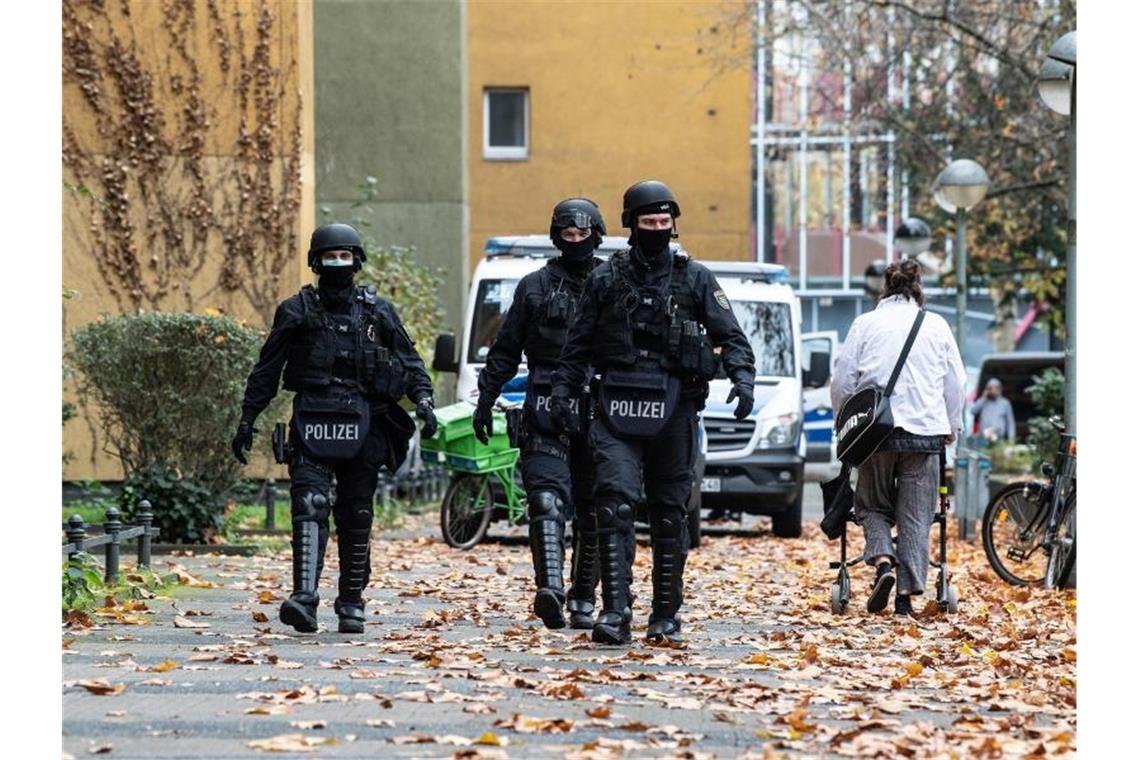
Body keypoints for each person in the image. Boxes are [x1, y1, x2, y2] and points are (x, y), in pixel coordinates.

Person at [552, 180, 756, 645]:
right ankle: (616, 612)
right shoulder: (606, 278)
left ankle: (665, 614)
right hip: (615, 405)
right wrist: (563, 396)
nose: (658, 230)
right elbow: (577, 346)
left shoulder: (695, 277)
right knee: (615, 503)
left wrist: (742, 380)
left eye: (665, 223)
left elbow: (732, 337)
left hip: (675, 407)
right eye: (649, 223)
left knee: (668, 512)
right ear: (631, 226)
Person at [231, 223, 437, 634]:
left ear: (357, 261)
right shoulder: (295, 311)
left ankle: (351, 602)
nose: (338, 263)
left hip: (365, 422)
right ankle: (304, 597)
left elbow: (409, 360)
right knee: (309, 504)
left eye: (346, 256)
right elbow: (267, 369)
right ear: (315, 262)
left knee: (356, 514)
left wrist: (425, 400)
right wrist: (247, 418)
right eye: (331, 256)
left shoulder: (378, 311)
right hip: (312, 420)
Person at [472, 198, 605, 630]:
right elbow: (506, 350)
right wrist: (486, 399)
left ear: (596, 234)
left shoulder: (613, 282)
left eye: (582, 235)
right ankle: (550, 589)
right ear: (556, 238)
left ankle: (584, 596)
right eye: (567, 235)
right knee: (545, 501)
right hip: (545, 404)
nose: (575, 241)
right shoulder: (534, 287)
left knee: (595, 509)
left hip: (600, 409)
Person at [831, 258, 966, 617]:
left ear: (885, 289)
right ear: (918, 290)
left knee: (871, 504)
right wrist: (953, 424)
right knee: (917, 515)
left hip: (876, 434)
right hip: (925, 433)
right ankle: (906, 597)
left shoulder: (865, 324)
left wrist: (843, 424)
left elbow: (843, 380)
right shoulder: (936, 326)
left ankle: (882, 561)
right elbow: (955, 382)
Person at [970, 378, 1016, 444]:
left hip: (999, 438)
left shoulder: (1005, 403)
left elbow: (1010, 422)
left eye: (996, 388)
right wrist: (984, 397)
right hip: (984, 438)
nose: (993, 390)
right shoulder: (983, 401)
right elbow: (973, 411)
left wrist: (1011, 439)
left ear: (999, 389)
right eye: (991, 388)